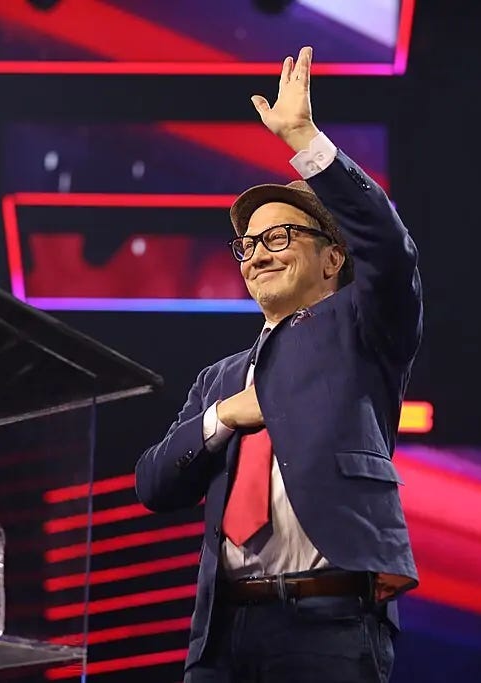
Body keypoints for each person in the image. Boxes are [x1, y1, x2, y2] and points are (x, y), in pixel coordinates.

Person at [135, 46, 422, 683]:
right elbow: (153, 484)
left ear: (332, 259)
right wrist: (222, 418)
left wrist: (304, 140)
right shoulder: (218, 380)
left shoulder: (361, 330)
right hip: (222, 635)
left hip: (330, 625)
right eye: (247, 245)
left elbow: (389, 250)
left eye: (279, 237)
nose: (257, 255)